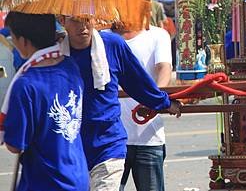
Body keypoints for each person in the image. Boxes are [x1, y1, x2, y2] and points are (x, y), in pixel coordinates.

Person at [58, 16, 182, 191]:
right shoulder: (54, 52)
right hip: (69, 148)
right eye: (76, 21)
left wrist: (164, 103)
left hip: (108, 143)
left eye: (87, 19)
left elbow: (137, 82)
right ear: (62, 20)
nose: (83, 27)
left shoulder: (112, 44)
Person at [1, 12, 88, 191]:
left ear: (23, 41)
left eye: (13, 38)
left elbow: (15, 145)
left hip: (45, 181)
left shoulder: (26, 84)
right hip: (77, 175)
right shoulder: (70, 66)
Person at [111, 25, 173, 191]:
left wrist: (154, 101)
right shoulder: (103, 38)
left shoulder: (157, 35)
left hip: (149, 137)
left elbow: (164, 68)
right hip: (111, 140)